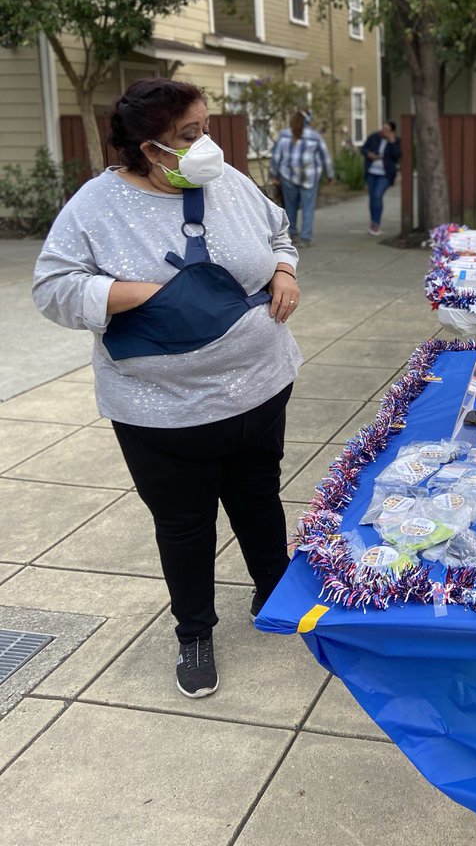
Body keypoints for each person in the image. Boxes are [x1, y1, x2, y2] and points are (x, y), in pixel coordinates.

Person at [33, 79, 303, 700]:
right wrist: (147, 295)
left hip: (261, 386)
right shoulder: (96, 208)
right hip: (163, 412)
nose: (206, 145)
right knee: (185, 525)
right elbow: (53, 289)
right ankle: (195, 633)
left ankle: (275, 591)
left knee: (259, 497)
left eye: (205, 129)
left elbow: (278, 230)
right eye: (190, 136)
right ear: (148, 148)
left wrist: (284, 270)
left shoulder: (226, 180)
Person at [269, 109, 334, 246]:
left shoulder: (285, 134)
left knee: (290, 207)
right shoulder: (314, 136)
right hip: (309, 178)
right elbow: (325, 157)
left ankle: (292, 234)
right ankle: (305, 238)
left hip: (288, 177)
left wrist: (273, 175)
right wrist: (330, 175)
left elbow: (276, 157)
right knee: (307, 208)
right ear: (308, 121)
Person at [360, 119, 401, 235]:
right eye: (383, 128)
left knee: (378, 195)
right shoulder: (374, 137)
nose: (383, 131)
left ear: (392, 131)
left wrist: (392, 142)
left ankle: (376, 225)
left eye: (387, 129)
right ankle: (373, 223)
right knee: (373, 198)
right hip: (372, 172)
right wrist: (369, 154)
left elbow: (397, 155)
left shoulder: (396, 141)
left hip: (385, 174)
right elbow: (363, 148)